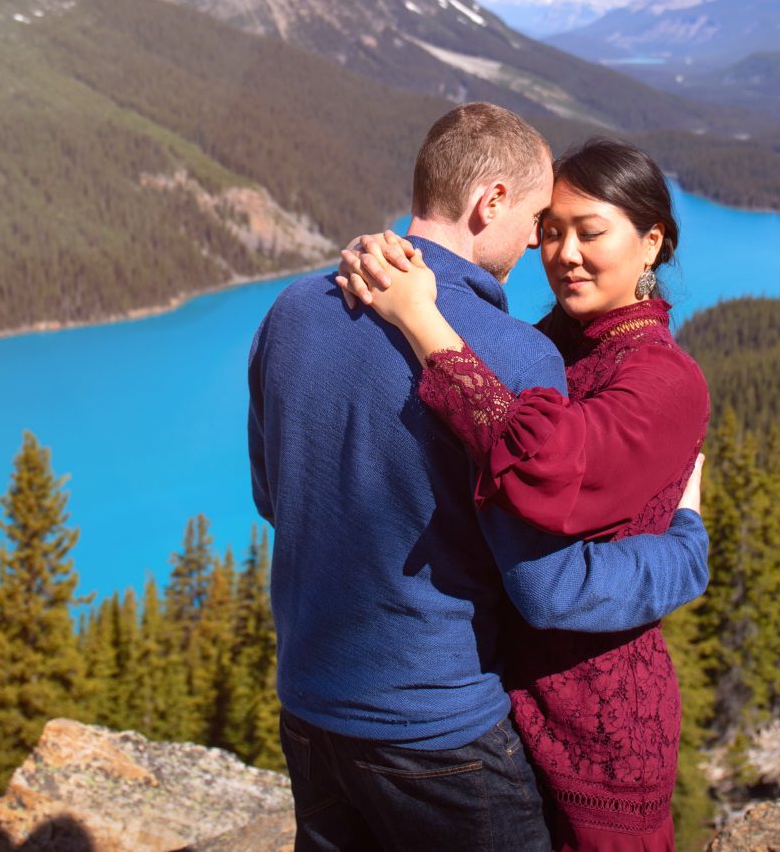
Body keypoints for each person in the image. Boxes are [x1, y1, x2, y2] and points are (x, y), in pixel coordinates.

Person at [248, 104, 710, 852]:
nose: (545, 245)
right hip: (440, 725)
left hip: (311, 704)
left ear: (652, 239)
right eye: (543, 222)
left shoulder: (298, 303)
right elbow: (547, 583)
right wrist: (685, 549)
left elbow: (276, 495)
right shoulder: (521, 353)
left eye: (582, 230)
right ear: (491, 201)